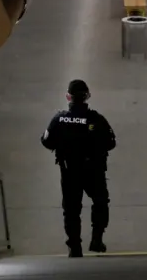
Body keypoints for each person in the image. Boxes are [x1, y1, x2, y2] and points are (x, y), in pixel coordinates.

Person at [41, 79, 117, 258]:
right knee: (100, 202)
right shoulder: (97, 119)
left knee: (71, 209)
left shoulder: (59, 119)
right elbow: (111, 142)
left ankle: (75, 247)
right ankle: (97, 240)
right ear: (87, 96)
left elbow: (46, 141)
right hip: (94, 171)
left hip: (69, 172)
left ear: (68, 96)